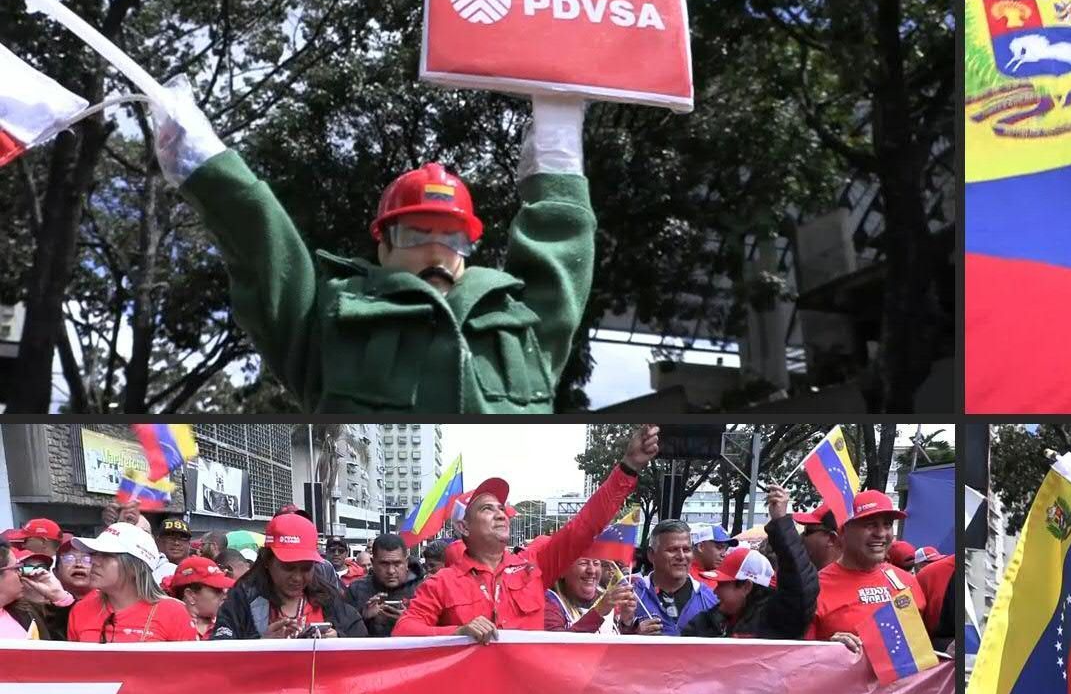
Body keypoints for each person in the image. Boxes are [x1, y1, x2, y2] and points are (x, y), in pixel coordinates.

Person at [152, 74, 594, 412]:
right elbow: (263, 246)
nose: (437, 250)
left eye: (453, 237)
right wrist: (200, 156)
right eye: (415, 233)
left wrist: (558, 130)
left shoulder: (520, 322)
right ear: (383, 245)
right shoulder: (327, 316)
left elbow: (559, 248)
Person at [395, 427, 657, 640]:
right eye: (487, 509)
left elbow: (585, 525)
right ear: (463, 527)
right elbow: (403, 631)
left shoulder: (534, 565)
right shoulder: (441, 583)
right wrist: (457, 633)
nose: (500, 514)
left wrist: (628, 467)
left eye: (501, 508)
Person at [684, 485, 818, 639]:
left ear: (746, 586)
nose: (715, 591)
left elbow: (803, 587)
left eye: (723, 584)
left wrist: (781, 522)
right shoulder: (706, 623)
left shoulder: (778, 621)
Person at [211, 514, 366, 639]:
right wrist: (261, 646)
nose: (297, 578)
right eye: (288, 567)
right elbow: (221, 657)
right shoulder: (242, 598)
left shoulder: (328, 596)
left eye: (306, 568)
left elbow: (362, 643)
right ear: (267, 560)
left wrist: (339, 640)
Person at [811, 490, 925, 655]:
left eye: (887, 524)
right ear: (844, 532)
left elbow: (924, 650)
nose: (880, 534)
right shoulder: (815, 587)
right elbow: (799, 660)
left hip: (904, 681)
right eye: (870, 524)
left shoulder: (907, 582)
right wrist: (829, 648)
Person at [64, 524, 197, 643]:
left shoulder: (174, 613)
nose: (93, 561)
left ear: (135, 567)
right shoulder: (81, 609)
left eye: (106, 555)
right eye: (94, 554)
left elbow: (187, 669)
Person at [346, 533, 421, 638]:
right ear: (373, 563)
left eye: (397, 564)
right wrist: (363, 617)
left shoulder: (422, 590)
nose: (391, 571)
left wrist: (408, 621)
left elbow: (435, 634)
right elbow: (344, 636)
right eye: (384, 564)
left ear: (406, 563)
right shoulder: (355, 590)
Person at [164, 555, 234, 640]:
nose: (224, 595)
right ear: (190, 595)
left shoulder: (231, 625)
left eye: (224, 589)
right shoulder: (165, 626)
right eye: (217, 590)